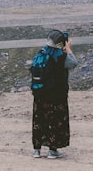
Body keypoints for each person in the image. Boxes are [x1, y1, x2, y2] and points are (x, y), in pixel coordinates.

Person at [31, 29, 78, 159]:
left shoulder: (41, 53)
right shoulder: (60, 56)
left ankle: (37, 149)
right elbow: (74, 63)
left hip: (40, 94)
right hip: (56, 95)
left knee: (39, 120)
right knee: (55, 120)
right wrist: (68, 49)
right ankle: (52, 150)